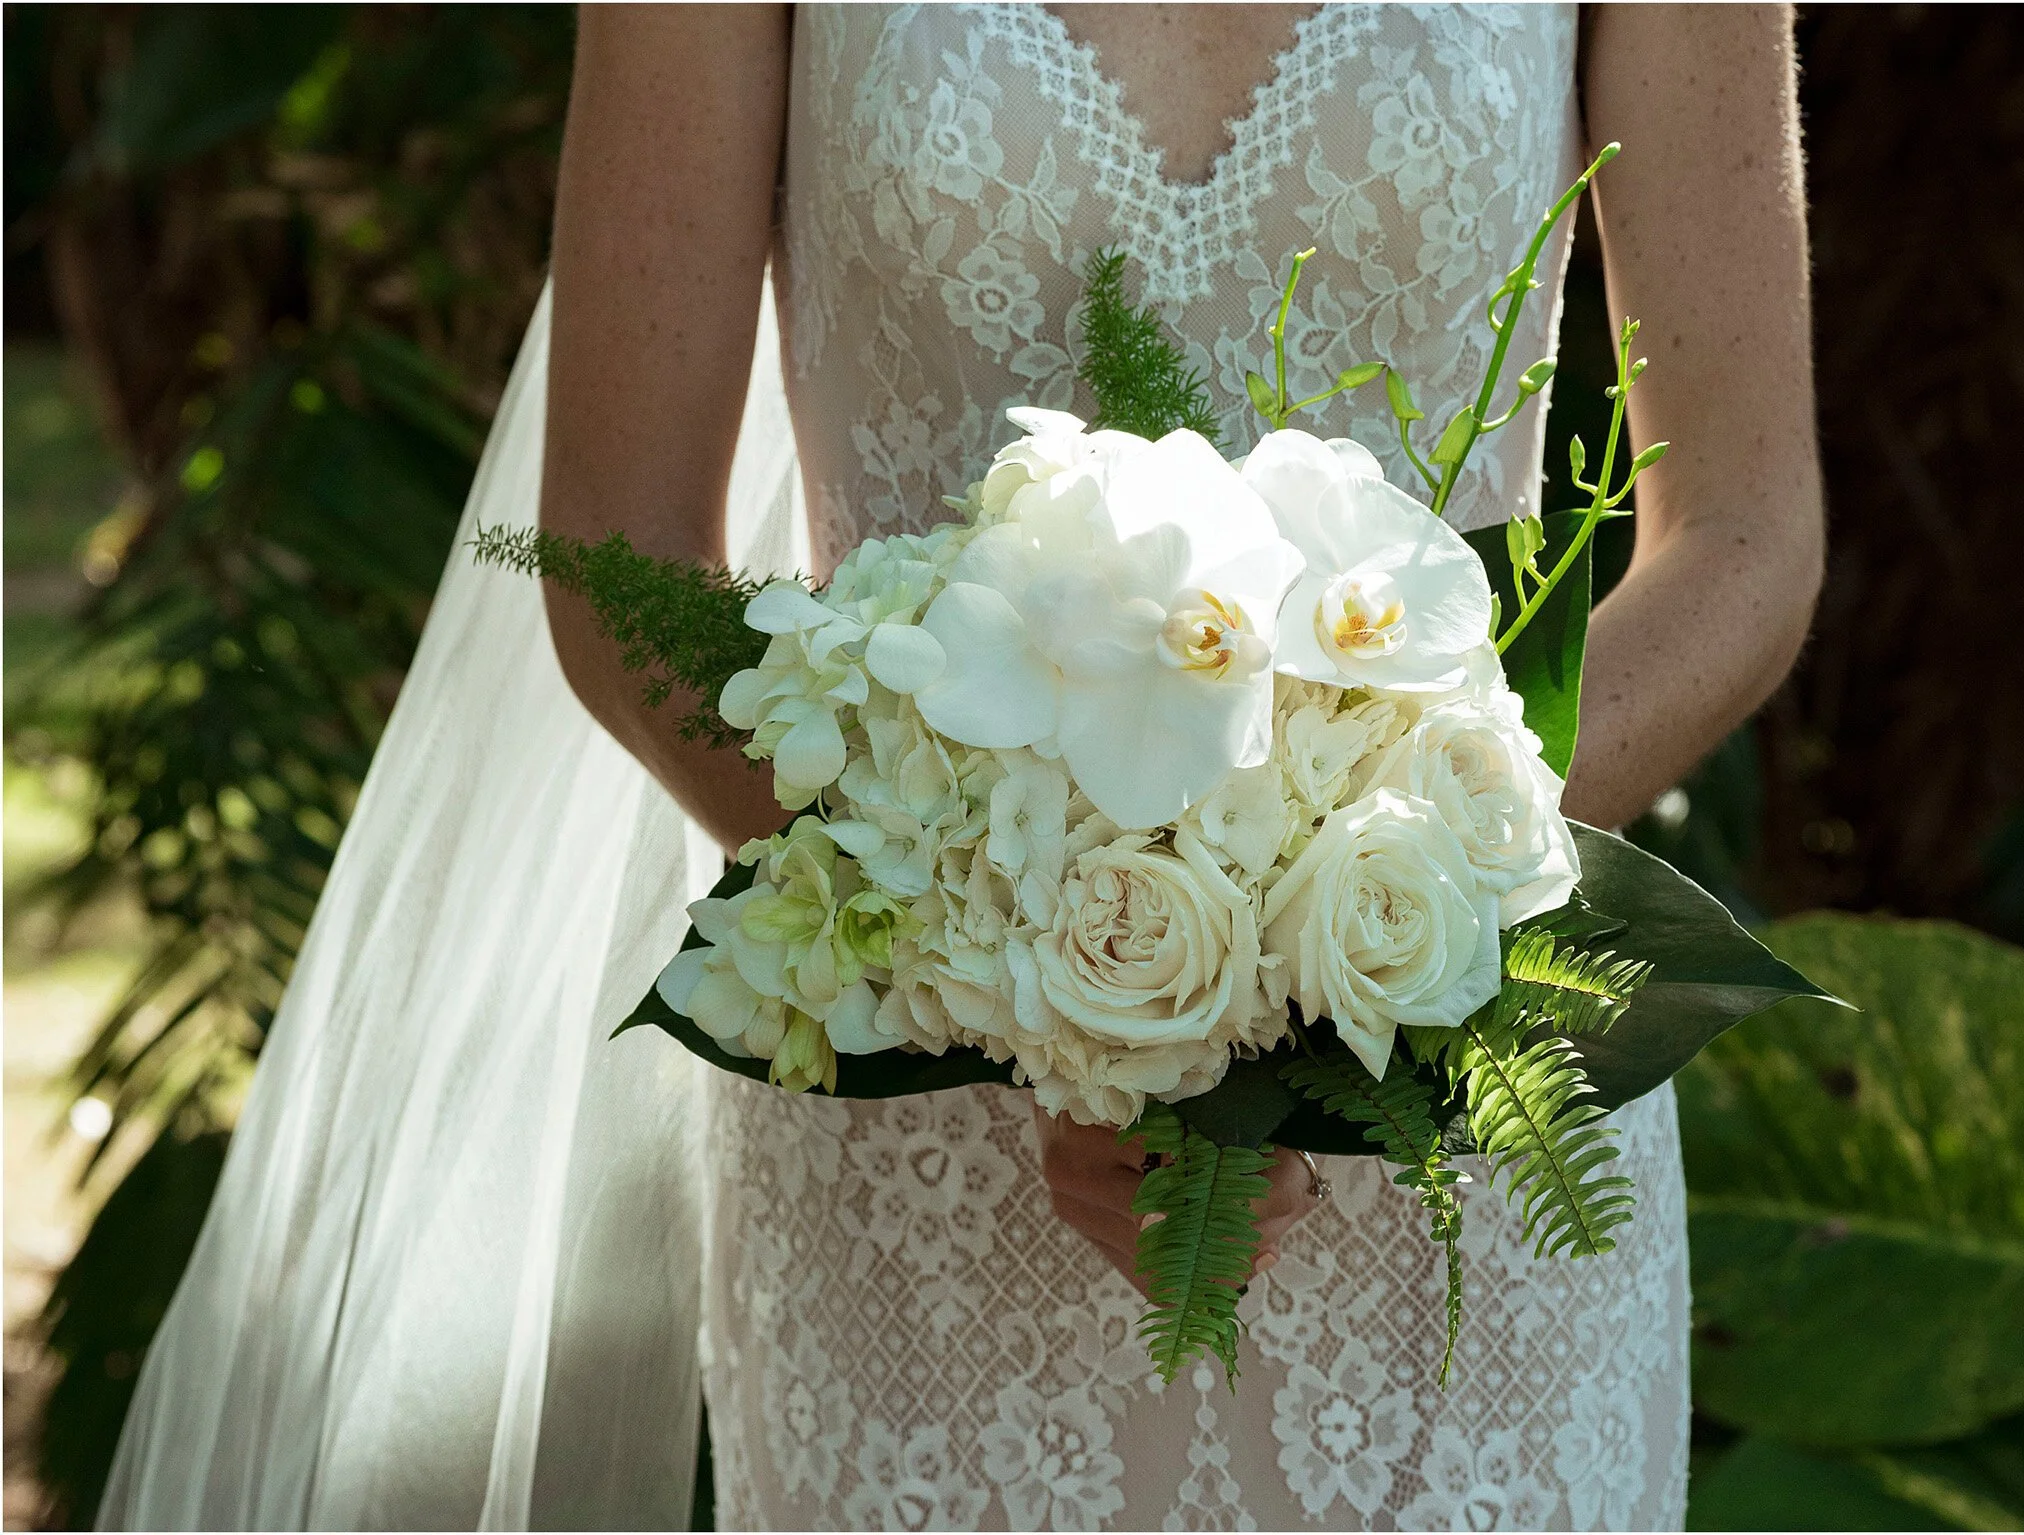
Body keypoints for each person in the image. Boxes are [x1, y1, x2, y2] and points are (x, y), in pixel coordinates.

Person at [101, 5, 1820, 1529]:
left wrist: (1339, 929)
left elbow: (1741, 539)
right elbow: (623, 552)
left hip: (1444, 1079)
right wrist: (1034, 982)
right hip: (916, 1148)